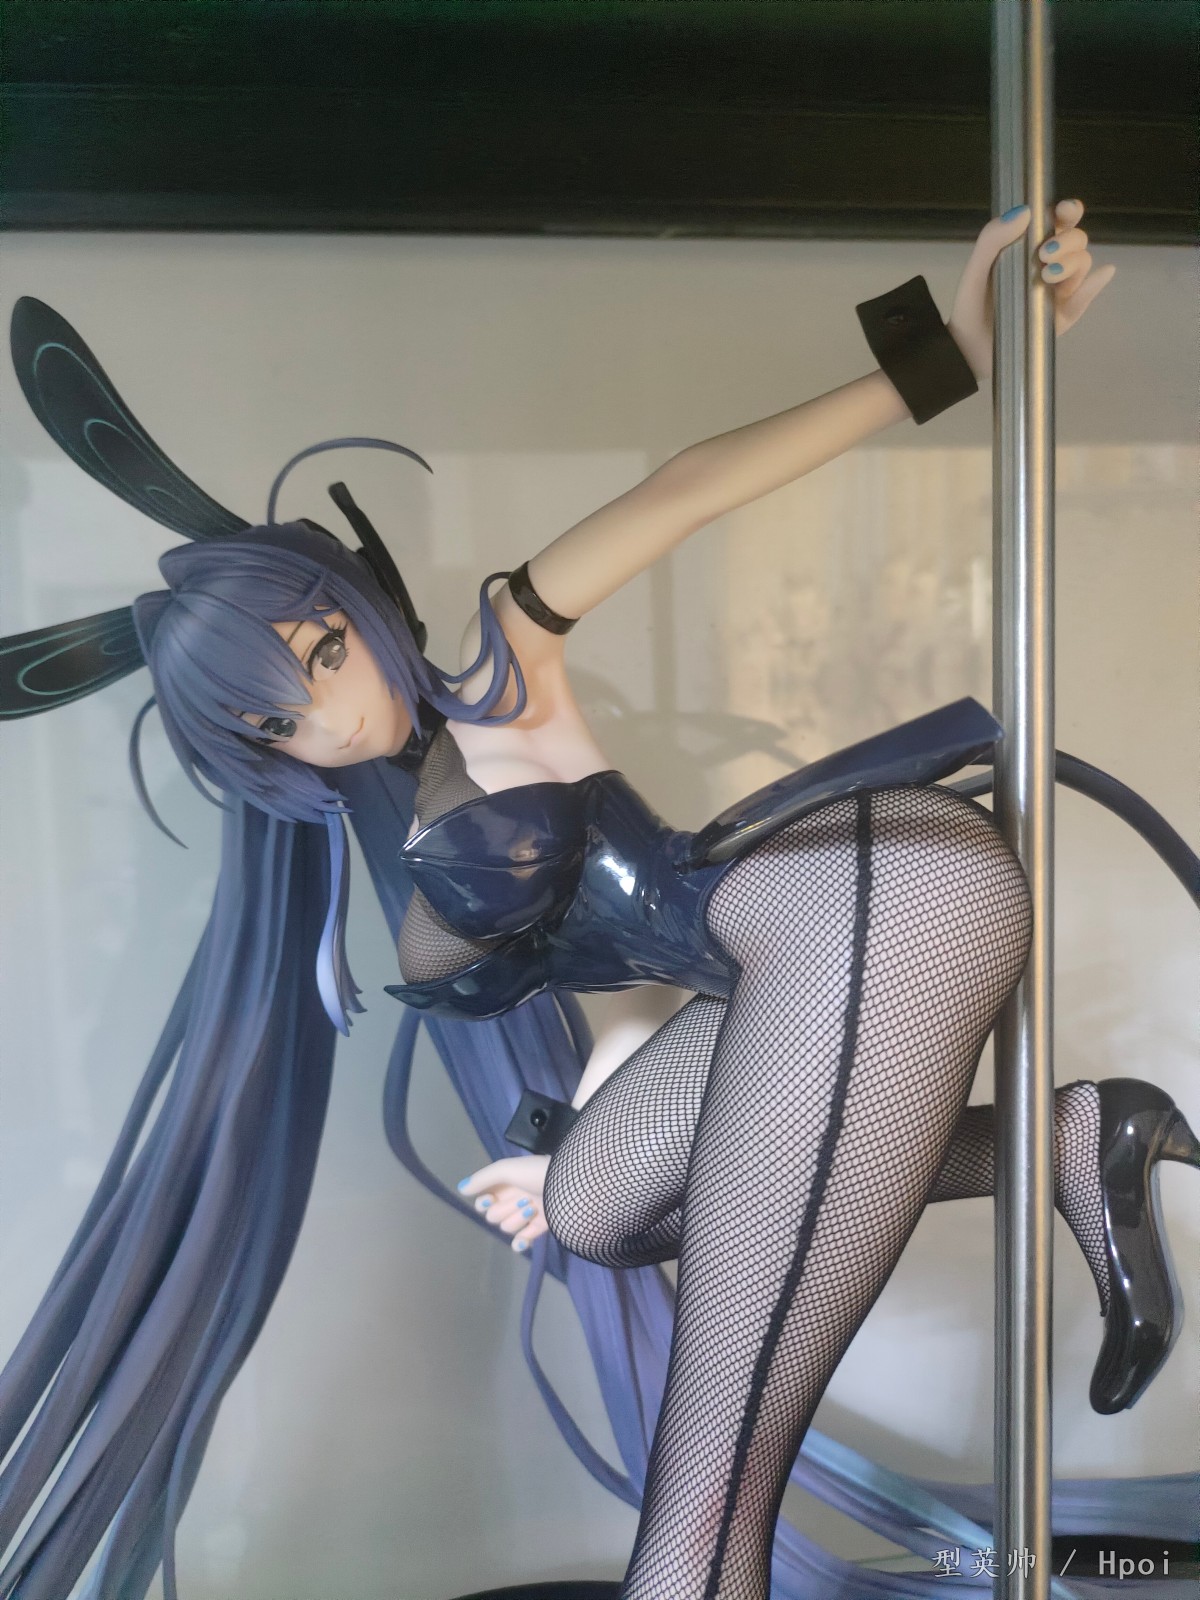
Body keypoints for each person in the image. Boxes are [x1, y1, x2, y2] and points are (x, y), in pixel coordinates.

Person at [1, 201, 1195, 1600]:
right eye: (278, 723)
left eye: (323, 651)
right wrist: (574, 1147)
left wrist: (950, 362)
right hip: (773, 967)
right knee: (591, 1210)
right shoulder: (413, 845)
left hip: (864, 896)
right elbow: (625, 997)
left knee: (703, 1515)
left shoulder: (498, 667)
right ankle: (1074, 1138)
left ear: (349, 602)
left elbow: (685, 490)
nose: (330, 714)